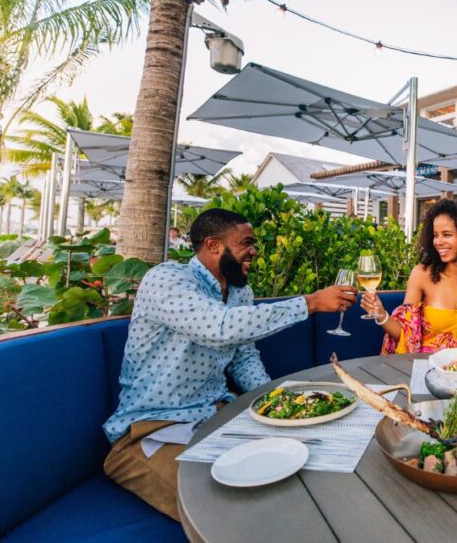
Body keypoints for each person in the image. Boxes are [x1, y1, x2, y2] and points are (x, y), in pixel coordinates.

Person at [103, 208, 356, 520]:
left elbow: (243, 357)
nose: (254, 251)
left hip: (219, 415)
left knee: (307, 461)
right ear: (213, 246)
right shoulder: (167, 279)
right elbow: (219, 328)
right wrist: (311, 303)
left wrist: (274, 401)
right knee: (224, 510)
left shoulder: (239, 291)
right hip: (152, 428)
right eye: (246, 243)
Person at [361, 199, 457, 354]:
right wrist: (381, 314)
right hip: (426, 367)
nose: (438, 242)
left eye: (447, 235)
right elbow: (405, 335)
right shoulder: (422, 274)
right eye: (435, 235)